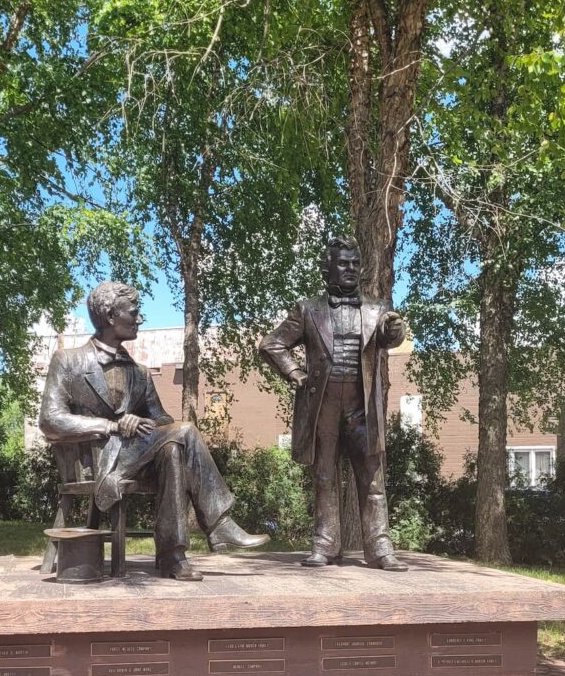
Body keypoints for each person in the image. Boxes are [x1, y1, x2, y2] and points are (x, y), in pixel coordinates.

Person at [39, 281, 269, 580]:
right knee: (183, 434)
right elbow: (50, 420)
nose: (140, 319)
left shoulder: (140, 372)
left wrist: (135, 419)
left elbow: (163, 420)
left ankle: (173, 557)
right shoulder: (68, 361)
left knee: (173, 448)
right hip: (93, 461)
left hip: (137, 459)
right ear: (111, 316)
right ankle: (217, 525)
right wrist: (111, 425)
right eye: (134, 312)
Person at [259, 236, 408, 570]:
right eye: (343, 264)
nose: (351, 270)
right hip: (323, 405)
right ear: (327, 269)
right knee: (325, 476)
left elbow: (388, 336)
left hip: (362, 405)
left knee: (372, 477)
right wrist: (295, 373)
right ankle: (325, 546)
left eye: (355, 264)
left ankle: (381, 548)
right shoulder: (307, 309)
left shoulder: (376, 307)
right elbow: (272, 344)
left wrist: (394, 329)